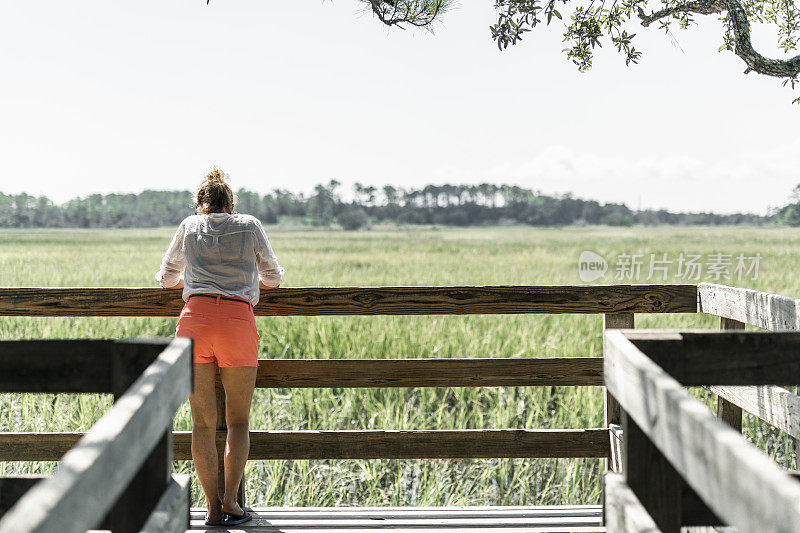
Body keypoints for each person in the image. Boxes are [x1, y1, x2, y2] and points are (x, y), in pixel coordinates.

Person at [155, 168, 284, 526]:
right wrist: (243, 279)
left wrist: (193, 277)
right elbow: (272, 277)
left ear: (201, 205)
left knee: (202, 424)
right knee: (238, 422)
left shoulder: (189, 226)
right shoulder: (250, 225)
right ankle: (231, 502)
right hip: (236, 321)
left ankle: (210, 509)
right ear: (230, 203)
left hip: (193, 321)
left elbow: (167, 278)